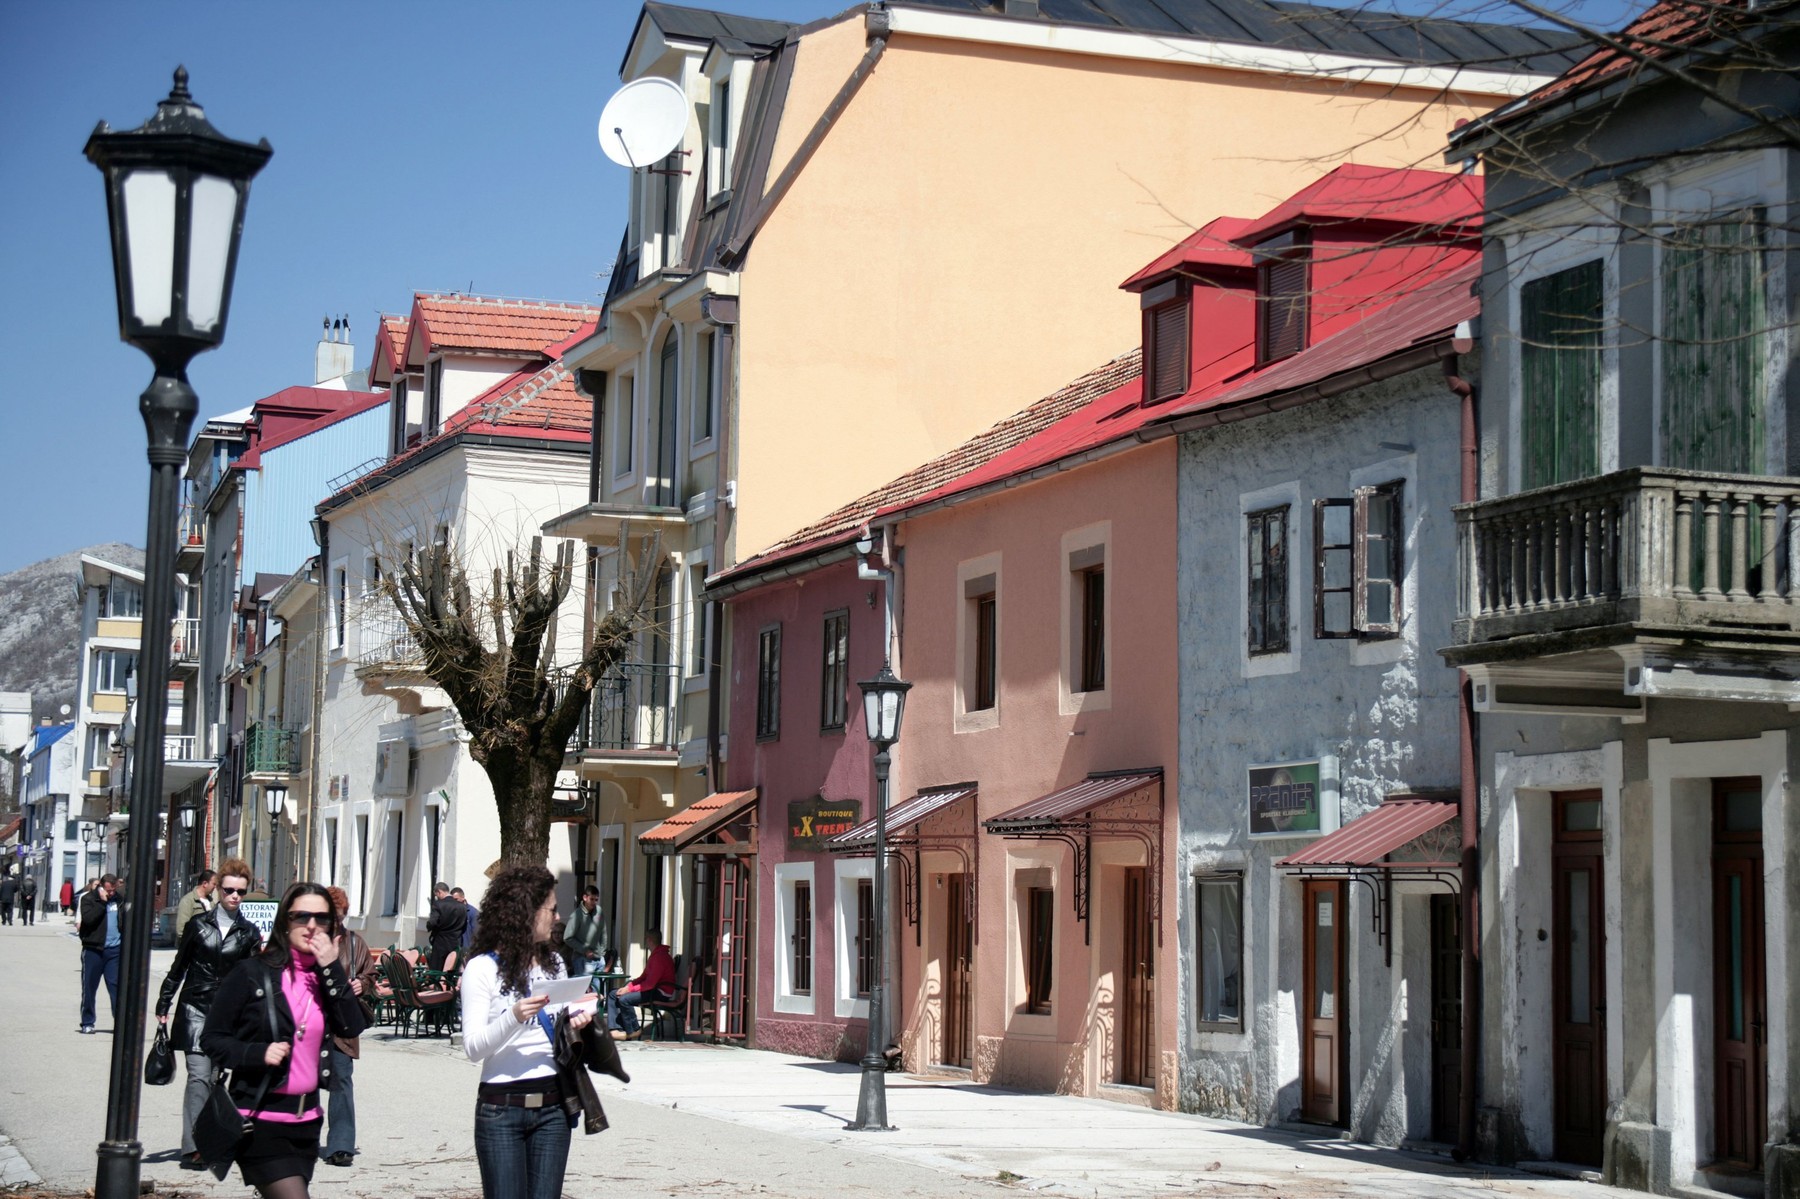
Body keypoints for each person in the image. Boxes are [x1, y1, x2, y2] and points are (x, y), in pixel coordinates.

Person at [201, 881, 367, 1199]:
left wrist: (332, 967)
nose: (312, 926)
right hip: (261, 1120)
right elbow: (212, 1039)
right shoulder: (251, 974)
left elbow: (350, 1026)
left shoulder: (325, 978)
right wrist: (256, 1053)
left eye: (322, 919)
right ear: (284, 921)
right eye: (301, 916)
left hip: (308, 1123)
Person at [460, 865, 595, 1199]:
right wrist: (514, 1016)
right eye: (551, 909)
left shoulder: (555, 963)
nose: (557, 916)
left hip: (553, 1107)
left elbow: (560, 1027)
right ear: (526, 913)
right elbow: (473, 1048)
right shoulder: (483, 968)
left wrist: (578, 1019)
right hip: (501, 1109)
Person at [158, 859, 261, 1169]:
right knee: (199, 1076)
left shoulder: (248, 932)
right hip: (194, 1009)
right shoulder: (198, 925)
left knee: (217, 1078)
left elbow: (254, 978)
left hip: (227, 1014)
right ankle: (192, 1147)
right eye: (229, 890)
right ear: (218, 889)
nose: (234, 896)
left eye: (240, 892)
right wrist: (163, 1005)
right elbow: (179, 968)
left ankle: (211, 1138)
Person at [320, 885, 377, 1169]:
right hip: (313, 1022)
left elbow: (370, 973)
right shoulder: (310, 941)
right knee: (302, 1081)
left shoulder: (355, 943)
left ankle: (341, 1145)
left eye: (340, 917)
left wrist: (362, 983)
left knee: (341, 1081)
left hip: (342, 1022)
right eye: (332, 916)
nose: (336, 923)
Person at [605, 929, 676, 1041]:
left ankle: (634, 1030)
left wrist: (629, 990)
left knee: (624, 999)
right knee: (613, 994)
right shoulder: (654, 956)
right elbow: (643, 977)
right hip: (652, 989)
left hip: (660, 992)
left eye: (646, 939)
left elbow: (650, 984)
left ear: (650, 940)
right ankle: (615, 1029)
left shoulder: (660, 957)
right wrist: (628, 987)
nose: (645, 941)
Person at [77, 873, 122, 1033]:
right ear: (102, 887)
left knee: (116, 987)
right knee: (89, 987)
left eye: (114, 890)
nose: (111, 893)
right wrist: (102, 903)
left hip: (114, 950)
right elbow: (89, 920)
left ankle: (120, 1023)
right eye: (109, 890)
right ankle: (87, 1022)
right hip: (93, 949)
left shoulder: (119, 899)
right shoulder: (89, 899)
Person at [563, 886, 606, 975]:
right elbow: (567, 938)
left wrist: (602, 951)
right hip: (582, 959)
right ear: (585, 898)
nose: (594, 902)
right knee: (585, 988)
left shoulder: (599, 911)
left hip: (599, 958)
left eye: (596, 900)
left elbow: (603, 931)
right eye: (592, 899)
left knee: (598, 988)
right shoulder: (576, 915)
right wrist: (584, 950)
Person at [426, 882, 465, 971]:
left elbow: (432, 922)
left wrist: (428, 926)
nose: (437, 897)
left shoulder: (438, 904)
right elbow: (463, 925)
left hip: (440, 944)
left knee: (437, 973)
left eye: (436, 895)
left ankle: (437, 985)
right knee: (452, 972)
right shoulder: (462, 907)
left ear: (439, 892)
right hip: (456, 943)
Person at [174, 869, 217, 943]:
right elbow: (181, 930)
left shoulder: (211, 902)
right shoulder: (188, 901)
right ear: (205, 883)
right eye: (214, 884)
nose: (215, 887)